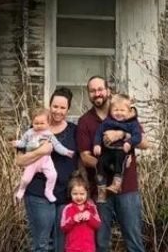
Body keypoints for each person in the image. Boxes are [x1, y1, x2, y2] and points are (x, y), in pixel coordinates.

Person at [76, 76, 146, 252]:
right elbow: (85, 157)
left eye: (100, 89)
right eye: (93, 91)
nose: (97, 93)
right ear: (89, 94)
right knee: (101, 242)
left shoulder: (125, 113)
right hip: (101, 191)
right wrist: (109, 165)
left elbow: (145, 143)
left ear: (108, 91)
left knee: (134, 240)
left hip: (127, 188)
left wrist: (121, 135)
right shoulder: (85, 121)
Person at [16, 87, 78, 252]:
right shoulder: (36, 128)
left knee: (61, 245)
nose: (58, 111)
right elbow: (19, 160)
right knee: (42, 244)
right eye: (55, 106)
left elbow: (83, 157)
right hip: (39, 193)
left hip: (65, 195)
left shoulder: (73, 130)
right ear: (49, 106)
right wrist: (40, 151)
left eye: (62, 107)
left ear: (68, 109)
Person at [14, 106, 76, 202]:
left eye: (42, 123)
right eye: (36, 123)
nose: (39, 125)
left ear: (48, 123)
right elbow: (23, 142)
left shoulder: (49, 134)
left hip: (45, 160)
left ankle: (48, 191)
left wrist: (66, 152)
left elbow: (57, 145)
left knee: (53, 175)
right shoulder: (29, 133)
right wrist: (16, 143)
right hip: (33, 162)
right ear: (32, 122)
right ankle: (21, 189)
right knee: (26, 178)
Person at [91, 94, 143, 202]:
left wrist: (129, 142)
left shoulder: (132, 123)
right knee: (100, 162)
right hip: (108, 150)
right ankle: (101, 189)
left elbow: (138, 136)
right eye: (115, 110)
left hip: (121, 151)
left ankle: (116, 184)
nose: (118, 113)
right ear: (110, 110)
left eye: (122, 110)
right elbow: (99, 132)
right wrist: (97, 144)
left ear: (129, 111)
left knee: (120, 161)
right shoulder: (108, 121)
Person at [60, 176, 102, 252]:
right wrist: (73, 219)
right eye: (75, 194)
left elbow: (98, 225)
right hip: (72, 248)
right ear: (70, 193)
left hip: (88, 248)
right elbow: (63, 227)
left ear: (87, 193)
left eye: (82, 194)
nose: (79, 197)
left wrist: (90, 217)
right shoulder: (67, 208)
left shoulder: (92, 207)